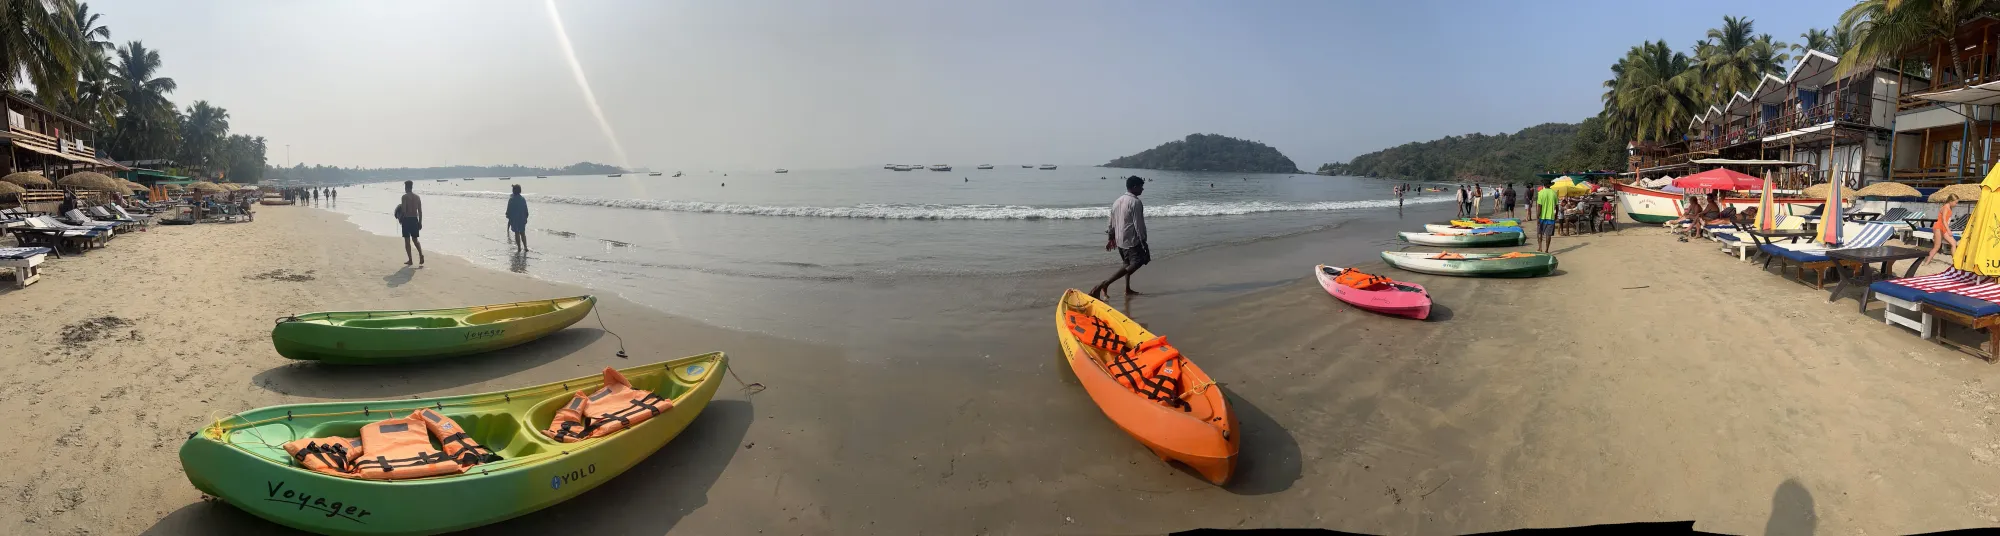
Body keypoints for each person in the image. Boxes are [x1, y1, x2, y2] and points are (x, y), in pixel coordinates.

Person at [1089, 175, 1149, 299]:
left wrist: (1111, 238)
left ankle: (1127, 289)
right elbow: (1139, 224)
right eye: (1141, 187)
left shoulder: (1118, 201)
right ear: (1134, 187)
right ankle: (1103, 285)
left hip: (1120, 239)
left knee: (1126, 264)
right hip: (1132, 240)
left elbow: (1111, 220)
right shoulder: (1135, 202)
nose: (1142, 189)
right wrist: (1143, 241)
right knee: (1138, 262)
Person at [395, 180, 425, 265]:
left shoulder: (404, 197)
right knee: (415, 240)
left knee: (407, 241)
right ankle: (421, 255)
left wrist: (400, 218)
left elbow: (404, 210)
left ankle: (410, 260)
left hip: (407, 220)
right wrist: (420, 222)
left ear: (406, 187)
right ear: (411, 187)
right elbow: (420, 211)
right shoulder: (417, 197)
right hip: (415, 219)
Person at [1926, 197, 1961, 265]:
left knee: (1953, 243)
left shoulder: (1949, 207)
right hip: (1939, 228)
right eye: (1955, 202)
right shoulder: (1945, 208)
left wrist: (1947, 229)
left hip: (1943, 228)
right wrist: (1948, 230)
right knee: (1937, 247)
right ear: (1951, 201)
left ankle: (1955, 263)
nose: (1956, 204)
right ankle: (1927, 262)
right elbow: (1944, 220)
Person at [506, 184, 529, 253]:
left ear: (513, 191)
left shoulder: (511, 199)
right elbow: (526, 209)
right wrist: (526, 217)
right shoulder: (522, 199)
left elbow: (508, 209)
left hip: (514, 218)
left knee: (517, 233)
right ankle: (525, 247)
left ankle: (519, 247)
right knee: (523, 233)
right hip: (522, 218)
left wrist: (508, 215)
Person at [1536, 185, 1559, 253]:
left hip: (1542, 217)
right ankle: (1546, 250)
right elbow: (1557, 206)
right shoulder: (1554, 193)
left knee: (1539, 232)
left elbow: (1539, 206)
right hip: (1551, 217)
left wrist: (1538, 216)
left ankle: (1540, 247)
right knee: (1548, 234)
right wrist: (1556, 215)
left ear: (1544, 185)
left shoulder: (1541, 192)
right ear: (1550, 185)